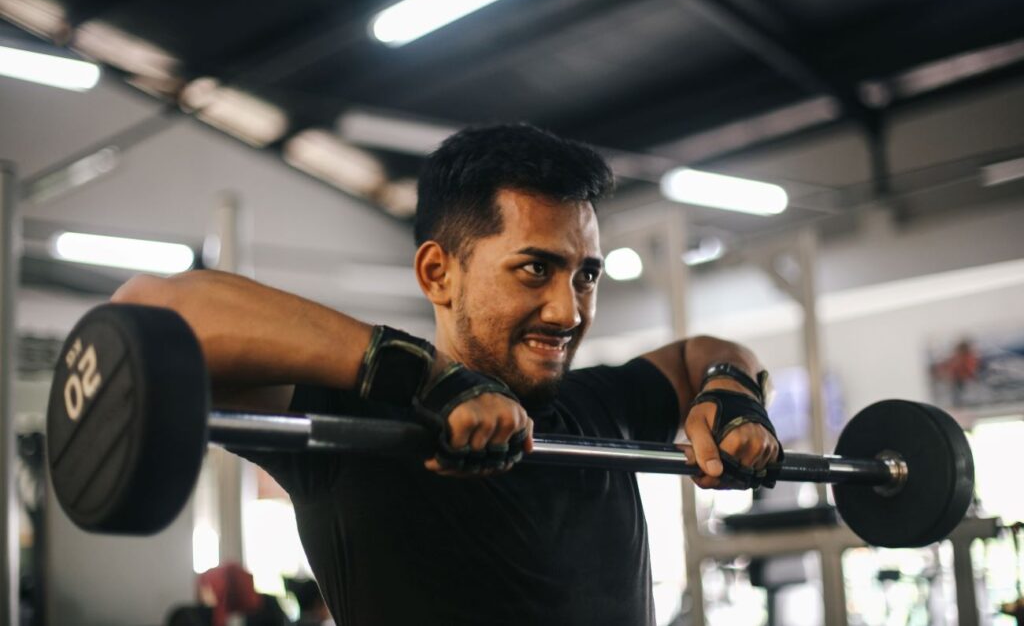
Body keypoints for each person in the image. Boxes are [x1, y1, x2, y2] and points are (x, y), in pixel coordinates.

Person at [113, 124, 781, 625]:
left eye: (586, 274)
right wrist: (423, 376)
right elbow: (149, 312)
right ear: (438, 272)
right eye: (535, 268)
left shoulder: (598, 407)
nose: (569, 308)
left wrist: (731, 390)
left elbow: (702, 352)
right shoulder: (359, 423)